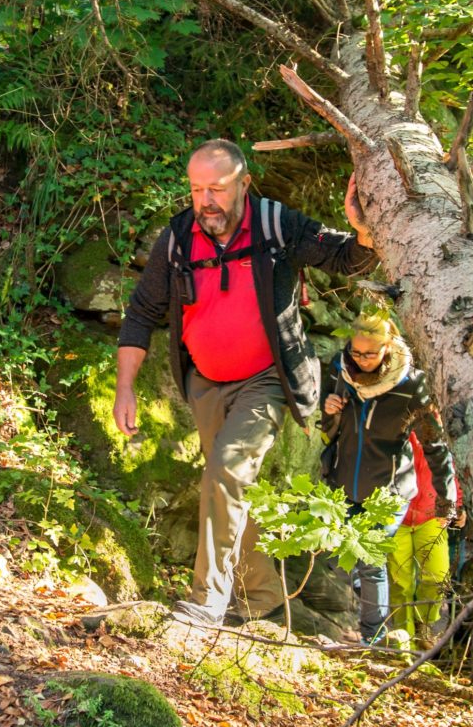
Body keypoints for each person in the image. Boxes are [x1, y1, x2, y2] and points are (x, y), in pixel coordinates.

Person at [113, 138, 376, 628]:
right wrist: (125, 388)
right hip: (206, 384)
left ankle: (208, 601)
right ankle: (262, 598)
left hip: (267, 381)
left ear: (245, 183)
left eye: (217, 188)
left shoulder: (277, 226)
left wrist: (363, 231)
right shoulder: (176, 241)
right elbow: (141, 313)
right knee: (232, 485)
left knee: (226, 472)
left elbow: (347, 259)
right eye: (197, 189)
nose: (206, 201)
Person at [320, 315, 456, 645]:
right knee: (344, 557)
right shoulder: (341, 372)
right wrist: (329, 408)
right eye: (356, 352)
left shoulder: (411, 386)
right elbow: (328, 429)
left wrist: (446, 495)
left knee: (370, 559)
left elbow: (434, 444)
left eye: (369, 354)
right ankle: (371, 624)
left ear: (388, 347)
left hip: (391, 492)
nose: (361, 360)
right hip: (345, 485)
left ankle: (373, 638)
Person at [388, 432, 466, 650]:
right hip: (398, 515)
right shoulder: (401, 422)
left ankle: (424, 625)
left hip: (432, 514)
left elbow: (453, 469)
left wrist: (456, 504)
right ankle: (404, 637)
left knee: (436, 574)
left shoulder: (443, 428)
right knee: (399, 581)